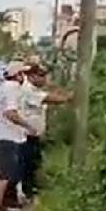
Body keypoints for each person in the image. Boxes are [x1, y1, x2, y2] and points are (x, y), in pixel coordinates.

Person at [0, 61, 35, 211]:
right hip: (7, 136)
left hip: (9, 135)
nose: (25, 78)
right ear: (17, 75)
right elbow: (10, 113)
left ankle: (3, 205)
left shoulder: (9, 88)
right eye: (24, 74)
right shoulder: (11, 89)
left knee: (9, 172)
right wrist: (28, 126)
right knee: (4, 174)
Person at [21, 63, 71, 198]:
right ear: (31, 76)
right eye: (41, 76)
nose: (44, 79)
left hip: (32, 135)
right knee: (28, 166)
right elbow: (49, 99)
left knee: (32, 164)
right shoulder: (28, 90)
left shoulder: (34, 89)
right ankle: (28, 193)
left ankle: (29, 191)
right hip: (26, 135)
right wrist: (69, 98)